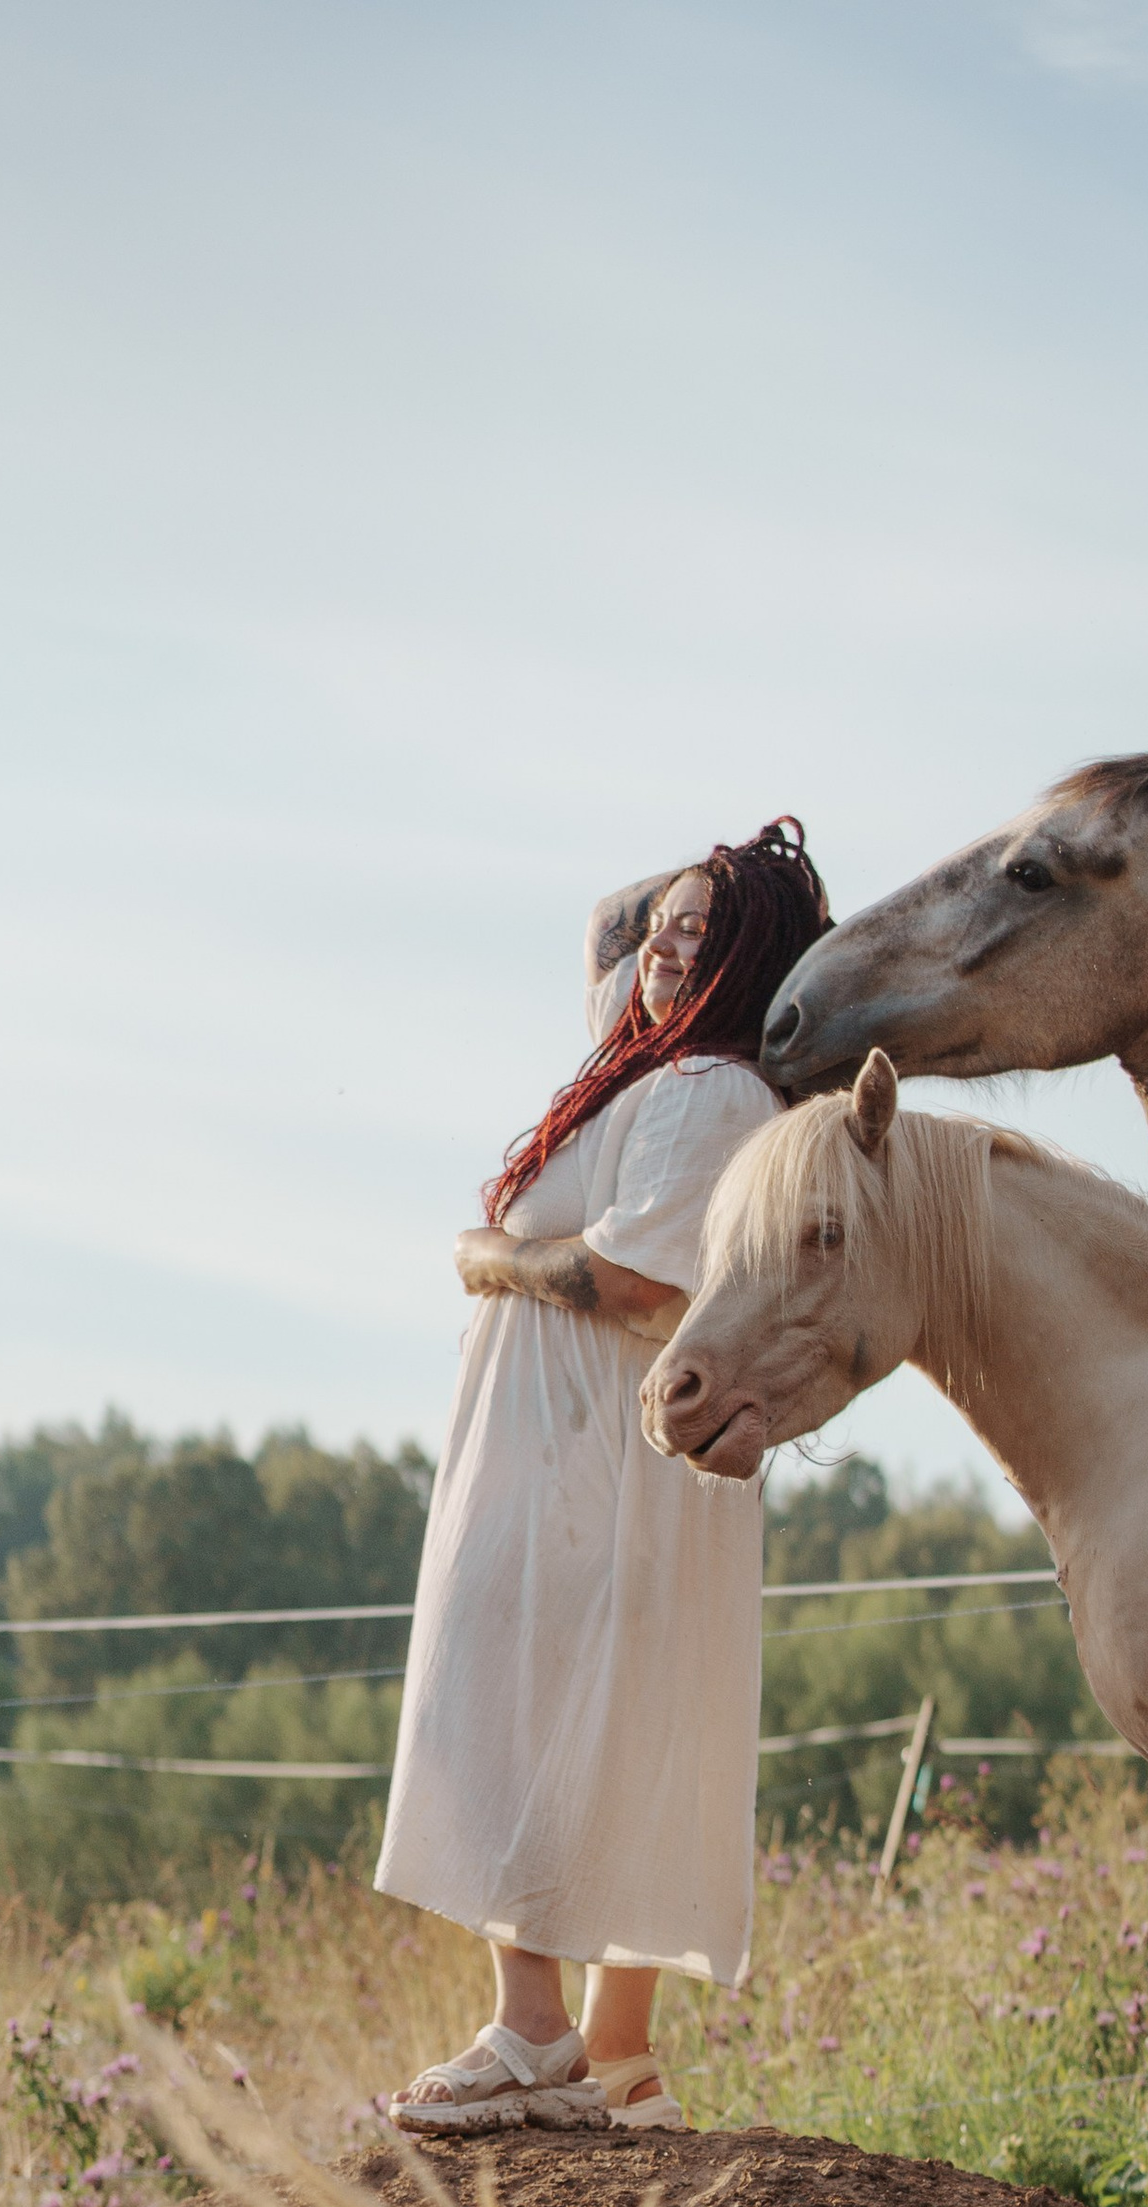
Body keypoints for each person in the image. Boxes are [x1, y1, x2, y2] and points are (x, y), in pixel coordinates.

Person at [377, 819, 830, 2131]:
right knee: (616, 1719)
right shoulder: (671, 1074)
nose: (665, 949)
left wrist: (488, 1258)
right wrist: (702, 895)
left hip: (585, 1458)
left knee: (507, 1708)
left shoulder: (704, 1094)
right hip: (592, 1452)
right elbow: (609, 924)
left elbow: (635, 1280)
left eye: (705, 935)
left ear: (753, 969)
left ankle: (533, 2030)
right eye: (666, 929)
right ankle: (613, 2052)